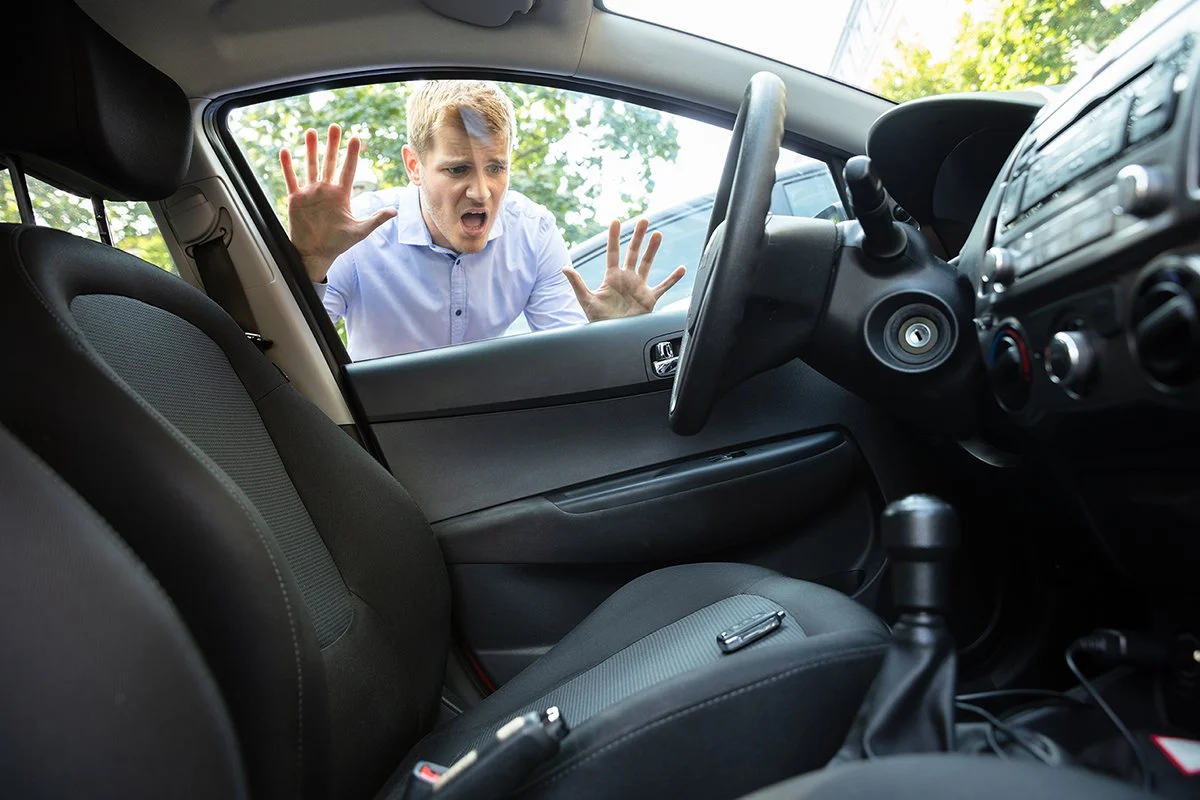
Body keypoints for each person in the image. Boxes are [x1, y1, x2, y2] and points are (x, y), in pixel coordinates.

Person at [279, 80, 686, 360]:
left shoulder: (533, 232)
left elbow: (570, 358)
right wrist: (311, 266)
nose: (481, 191)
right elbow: (293, 353)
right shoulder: (358, 231)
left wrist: (614, 337)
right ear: (414, 166)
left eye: (496, 168)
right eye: (458, 169)